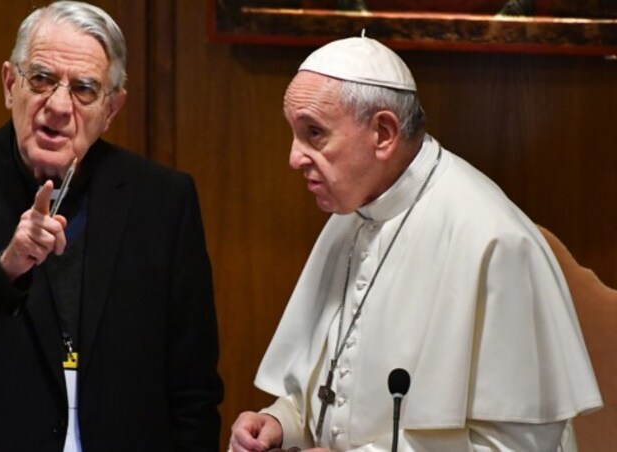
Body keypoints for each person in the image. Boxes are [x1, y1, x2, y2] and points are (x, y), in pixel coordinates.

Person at [229, 36, 602, 451]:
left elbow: (518, 445)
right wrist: (280, 423)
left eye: (314, 133)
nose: (294, 158)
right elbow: (331, 392)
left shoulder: (493, 239)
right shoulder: (355, 211)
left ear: (384, 133)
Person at [0, 2, 223, 450]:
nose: (59, 106)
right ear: (10, 85)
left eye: (84, 89)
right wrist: (5, 271)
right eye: (41, 79)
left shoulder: (162, 202)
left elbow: (193, 388)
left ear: (112, 108)